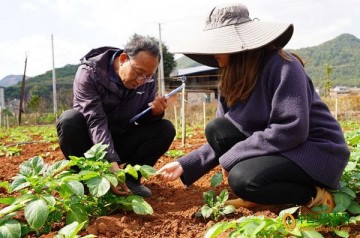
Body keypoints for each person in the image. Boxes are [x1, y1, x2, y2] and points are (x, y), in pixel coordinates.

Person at [157, 3, 350, 212]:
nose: (213, 53)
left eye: (218, 44)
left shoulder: (284, 66)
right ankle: (267, 190)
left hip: (314, 151)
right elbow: (224, 135)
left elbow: (291, 130)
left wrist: (233, 158)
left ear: (235, 44)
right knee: (217, 129)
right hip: (283, 148)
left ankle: (314, 196)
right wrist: (186, 164)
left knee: (243, 179)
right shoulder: (232, 77)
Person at [57, 34, 176, 198]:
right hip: (90, 145)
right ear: (123, 58)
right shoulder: (89, 73)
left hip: (120, 139)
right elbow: (95, 121)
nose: (142, 80)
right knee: (69, 120)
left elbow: (140, 120)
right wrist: (110, 162)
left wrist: (155, 113)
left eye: (148, 75)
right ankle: (84, 182)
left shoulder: (147, 80)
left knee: (165, 129)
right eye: (138, 72)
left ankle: (129, 181)